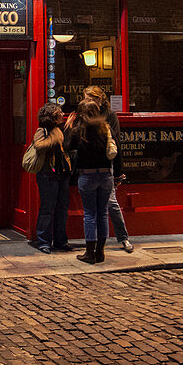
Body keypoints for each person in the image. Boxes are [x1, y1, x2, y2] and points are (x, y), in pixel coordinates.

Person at [64, 99, 118, 265]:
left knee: (90, 214)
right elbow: (117, 150)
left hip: (87, 176)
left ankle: (89, 253)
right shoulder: (106, 128)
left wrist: (68, 127)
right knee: (102, 213)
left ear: (81, 113)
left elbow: (67, 147)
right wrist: (118, 174)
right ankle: (100, 252)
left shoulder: (79, 131)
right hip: (106, 175)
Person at [82, 86, 133, 253]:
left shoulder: (109, 116)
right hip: (89, 167)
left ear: (99, 99)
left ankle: (123, 238)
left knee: (110, 204)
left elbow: (116, 144)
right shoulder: (83, 115)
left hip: (105, 167)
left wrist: (118, 172)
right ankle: (94, 244)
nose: (87, 101)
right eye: (85, 98)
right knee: (95, 209)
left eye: (90, 98)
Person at [29, 103, 72, 255]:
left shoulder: (63, 129)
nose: (62, 114)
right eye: (59, 112)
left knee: (62, 208)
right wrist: (54, 138)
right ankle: (44, 241)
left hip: (62, 173)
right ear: (53, 116)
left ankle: (61, 241)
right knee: (48, 208)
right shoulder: (43, 130)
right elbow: (38, 145)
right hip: (48, 173)